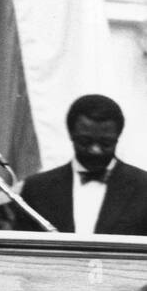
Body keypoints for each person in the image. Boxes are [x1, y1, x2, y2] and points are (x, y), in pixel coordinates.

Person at [18, 94, 147, 236]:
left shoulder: (143, 187)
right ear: (71, 134)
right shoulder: (36, 188)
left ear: (118, 137)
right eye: (85, 141)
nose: (95, 150)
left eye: (105, 143)